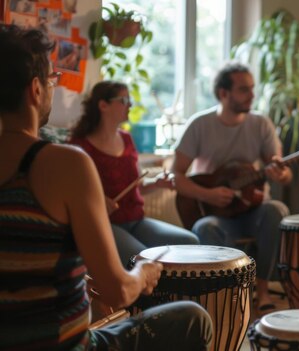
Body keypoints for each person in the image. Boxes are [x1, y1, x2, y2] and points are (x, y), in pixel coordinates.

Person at [0, 25, 212, 350]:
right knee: (194, 318)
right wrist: (142, 272)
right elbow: (118, 291)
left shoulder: (113, 144)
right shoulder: (67, 162)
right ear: (35, 90)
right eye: (51, 80)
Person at [172, 62, 292, 315]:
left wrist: (281, 173)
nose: (252, 95)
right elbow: (177, 176)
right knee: (204, 227)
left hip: (254, 210)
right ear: (223, 94)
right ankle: (223, 299)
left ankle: (262, 291)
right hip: (217, 214)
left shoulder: (261, 124)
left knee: (277, 210)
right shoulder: (200, 125)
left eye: (252, 89)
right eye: (243, 90)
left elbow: (281, 170)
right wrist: (208, 194)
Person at [69, 81, 200, 266]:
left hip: (136, 220)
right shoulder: (80, 146)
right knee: (141, 260)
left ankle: (181, 295)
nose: (130, 105)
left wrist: (157, 183)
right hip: (104, 224)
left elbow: (136, 186)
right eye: (123, 100)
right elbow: (72, 192)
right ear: (103, 105)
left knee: (190, 243)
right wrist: (98, 201)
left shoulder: (126, 138)